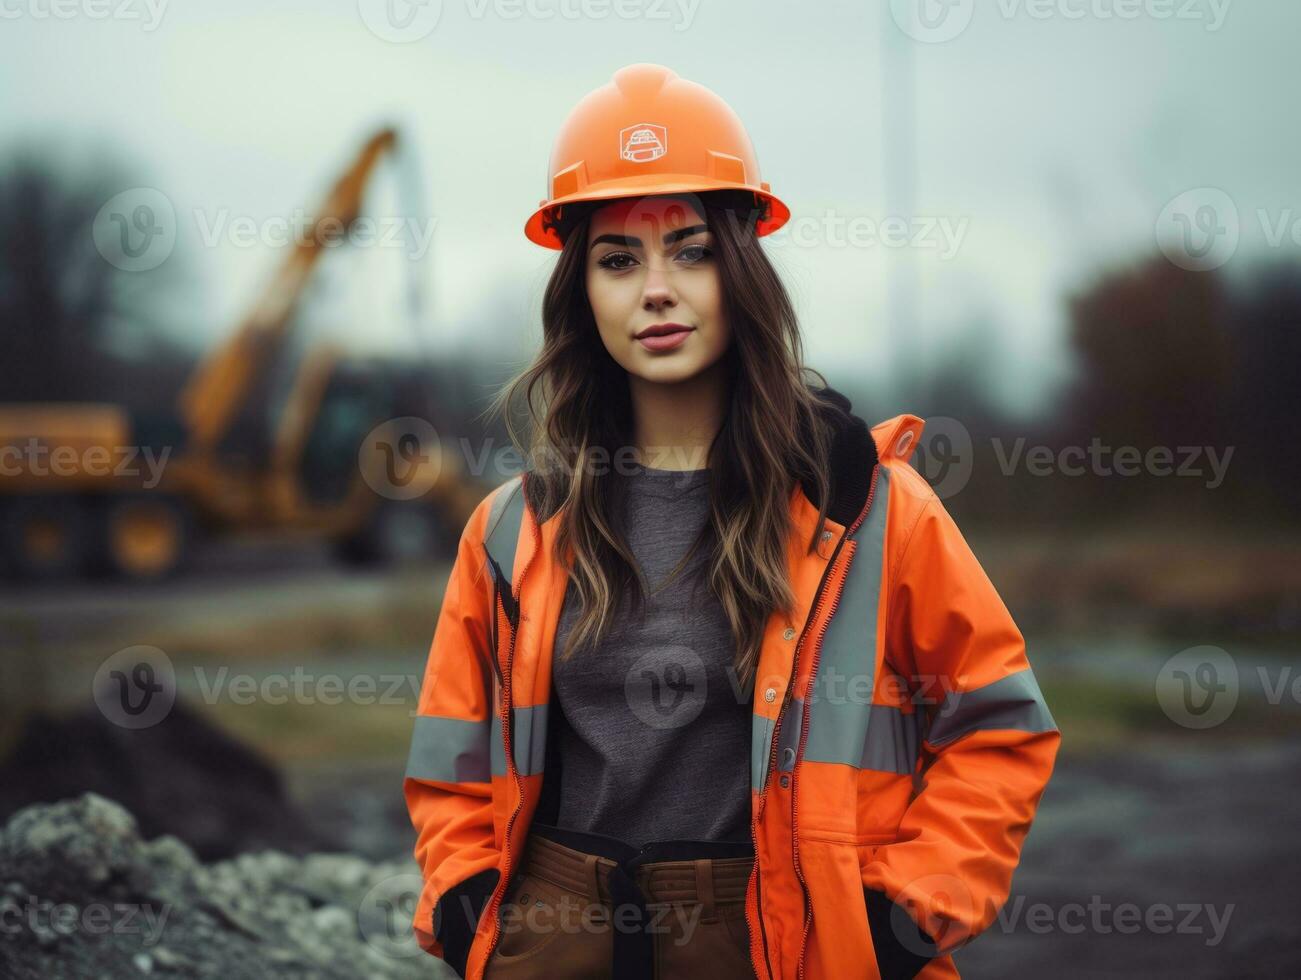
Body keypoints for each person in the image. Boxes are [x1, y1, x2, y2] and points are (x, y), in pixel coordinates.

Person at [404, 63, 1059, 980]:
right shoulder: (513, 530)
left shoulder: (867, 511)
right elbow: (451, 757)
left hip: (783, 945)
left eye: (691, 248)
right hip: (555, 945)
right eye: (618, 259)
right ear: (580, 293)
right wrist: (470, 899)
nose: (656, 289)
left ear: (741, 266)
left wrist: (904, 918)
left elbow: (997, 728)